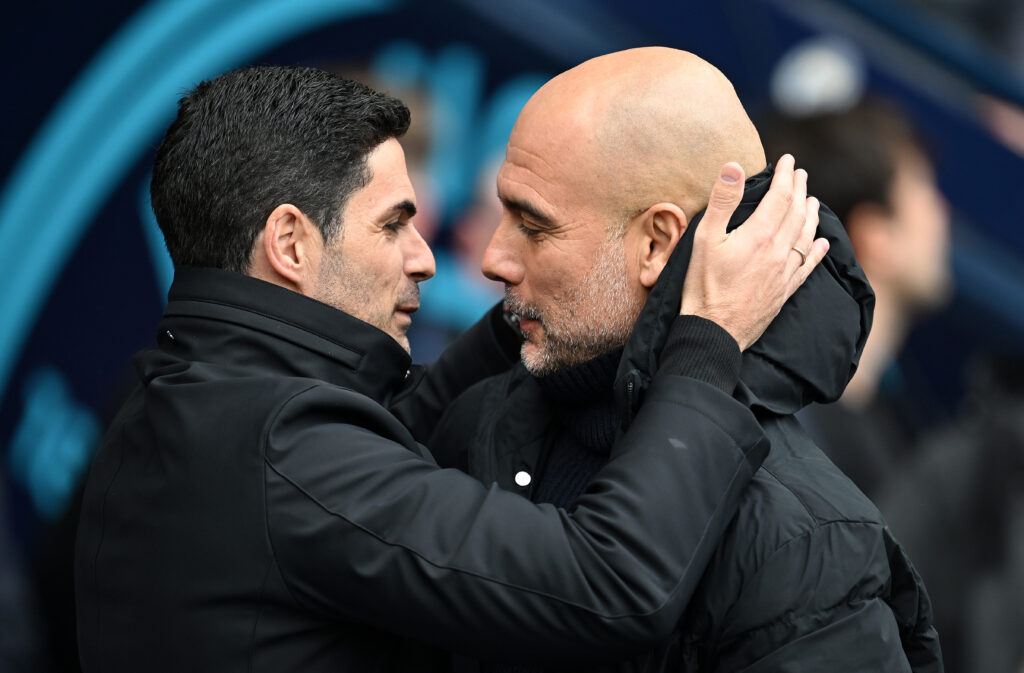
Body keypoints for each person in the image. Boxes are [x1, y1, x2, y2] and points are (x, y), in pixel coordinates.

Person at [74, 66, 824, 671]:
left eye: (531, 225)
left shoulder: (180, 400)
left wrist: (534, 306)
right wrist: (706, 338)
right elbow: (610, 582)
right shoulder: (289, 451)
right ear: (292, 244)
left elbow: (392, 439)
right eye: (395, 223)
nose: (426, 257)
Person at [430, 47, 943, 671]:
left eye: (533, 226)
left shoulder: (802, 543)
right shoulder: (476, 419)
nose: (493, 257)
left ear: (658, 242)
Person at [763, 100, 953, 500]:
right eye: (923, 191)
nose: (941, 214)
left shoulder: (887, 428)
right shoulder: (802, 444)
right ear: (875, 238)